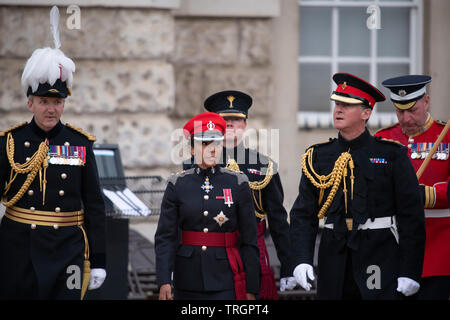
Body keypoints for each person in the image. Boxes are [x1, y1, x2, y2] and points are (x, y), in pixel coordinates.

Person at [0, 6, 106, 299]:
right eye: (44, 101)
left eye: (57, 102)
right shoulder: (9, 141)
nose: (52, 109)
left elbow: (95, 205)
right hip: (19, 247)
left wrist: (99, 260)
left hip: (67, 249)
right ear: (30, 103)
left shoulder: (80, 143)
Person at [289, 73, 426, 299]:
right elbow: (303, 214)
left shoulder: (391, 154)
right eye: (337, 104)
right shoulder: (318, 156)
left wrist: (410, 270)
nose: (338, 110)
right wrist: (301, 259)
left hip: (378, 254)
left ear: (366, 113)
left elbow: (411, 216)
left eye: (347, 105)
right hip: (334, 254)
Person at [184, 91, 296, 299]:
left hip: (251, 253)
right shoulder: (195, 164)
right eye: (224, 119)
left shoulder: (263, 165)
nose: (230, 124)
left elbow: (278, 220)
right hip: (207, 255)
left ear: (245, 125)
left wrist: (288, 265)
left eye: (236, 119)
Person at [155, 112, 260, 300]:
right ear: (193, 149)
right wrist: (164, 280)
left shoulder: (237, 182)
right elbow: (165, 237)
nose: (212, 149)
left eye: (217, 143)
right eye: (205, 144)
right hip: (187, 278)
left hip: (225, 277)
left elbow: (249, 239)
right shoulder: (177, 184)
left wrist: (252, 287)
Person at [374, 75, 450, 299]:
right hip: (393, 248)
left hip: (437, 250)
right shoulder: (383, 139)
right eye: (400, 111)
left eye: (413, 111)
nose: (406, 119)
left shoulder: (446, 136)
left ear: (426, 102)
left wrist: (427, 194)